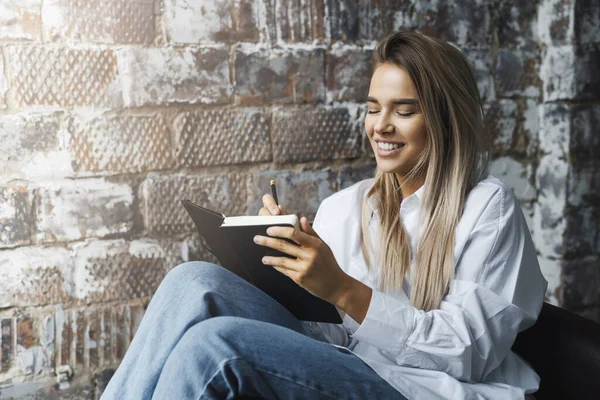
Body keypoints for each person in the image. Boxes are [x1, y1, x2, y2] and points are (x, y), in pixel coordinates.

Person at [102, 31, 547, 400]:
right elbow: (326, 339)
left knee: (214, 346)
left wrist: (343, 289)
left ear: (447, 120)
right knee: (192, 281)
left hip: (424, 390)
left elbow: (468, 354)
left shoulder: (488, 207)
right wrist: (287, 274)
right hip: (350, 365)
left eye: (404, 110)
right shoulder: (348, 206)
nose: (380, 126)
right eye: (373, 108)